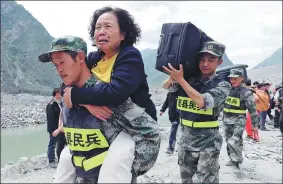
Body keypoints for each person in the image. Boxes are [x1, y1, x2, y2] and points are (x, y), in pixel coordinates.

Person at [40, 6, 160, 183]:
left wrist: (77, 97)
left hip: (131, 126)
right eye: (98, 27)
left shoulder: (129, 56)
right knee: (67, 161)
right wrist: (84, 101)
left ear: (123, 34)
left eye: (108, 27)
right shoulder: (95, 58)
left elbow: (114, 93)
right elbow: (71, 80)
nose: (101, 32)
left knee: (114, 168)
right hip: (105, 123)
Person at [163, 41, 231, 183]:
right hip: (185, 140)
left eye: (211, 60)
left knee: (205, 180)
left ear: (220, 62)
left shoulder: (223, 84)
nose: (205, 63)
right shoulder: (189, 79)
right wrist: (173, 77)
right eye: (202, 59)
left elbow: (202, 102)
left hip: (208, 142)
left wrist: (180, 80)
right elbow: (166, 86)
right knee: (186, 179)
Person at [222, 69, 259, 169]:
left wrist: (255, 125)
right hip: (226, 119)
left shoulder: (246, 93)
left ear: (241, 79)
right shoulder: (227, 90)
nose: (232, 80)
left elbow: (252, 110)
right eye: (231, 78)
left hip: (238, 120)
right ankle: (232, 158)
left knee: (235, 140)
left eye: (235, 78)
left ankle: (236, 160)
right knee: (228, 140)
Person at [160, 80, 179, 154]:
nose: (172, 86)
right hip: (172, 116)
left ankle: (173, 148)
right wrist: (162, 110)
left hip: (180, 116)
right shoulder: (170, 94)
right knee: (174, 132)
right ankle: (172, 148)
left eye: (174, 84)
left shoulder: (180, 93)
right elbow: (166, 102)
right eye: (172, 84)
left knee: (176, 132)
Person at [46, 88, 64, 168]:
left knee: (60, 143)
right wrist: (53, 130)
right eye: (61, 93)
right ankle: (51, 160)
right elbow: (50, 119)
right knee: (52, 144)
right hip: (54, 129)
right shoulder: (51, 105)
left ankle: (61, 158)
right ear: (57, 94)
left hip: (60, 127)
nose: (62, 95)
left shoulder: (58, 103)